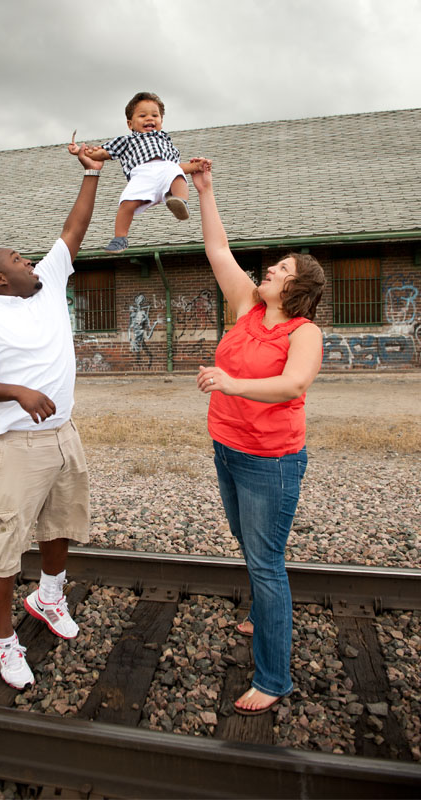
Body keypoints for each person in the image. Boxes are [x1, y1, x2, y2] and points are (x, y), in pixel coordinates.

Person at [0, 141, 104, 690]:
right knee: (3, 544)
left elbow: (74, 230)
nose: (28, 262)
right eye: (17, 261)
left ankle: (49, 597)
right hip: (14, 445)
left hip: (63, 434)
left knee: (60, 525)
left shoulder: (48, 287)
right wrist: (17, 391)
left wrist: (90, 175)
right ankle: (4, 639)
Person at [191, 159, 325, 716]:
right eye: (272, 265)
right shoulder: (246, 306)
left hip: (270, 460)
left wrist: (231, 380)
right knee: (250, 545)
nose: (269, 269)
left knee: (267, 562)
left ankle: (273, 678)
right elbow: (219, 250)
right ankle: (258, 615)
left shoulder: (305, 332)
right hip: (227, 446)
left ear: (297, 286)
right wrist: (205, 191)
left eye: (282, 268)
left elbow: (293, 384)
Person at [81, 91, 207, 254]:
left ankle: (179, 202)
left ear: (161, 120)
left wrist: (196, 166)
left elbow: (177, 166)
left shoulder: (167, 142)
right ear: (130, 124)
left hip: (165, 167)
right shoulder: (127, 140)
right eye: (142, 115)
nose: (149, 119)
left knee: (177, 175)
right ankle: (120, 238)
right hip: (142, 173)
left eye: (155, 115)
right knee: (126, 204)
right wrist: (83, 151)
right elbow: (104, 153)